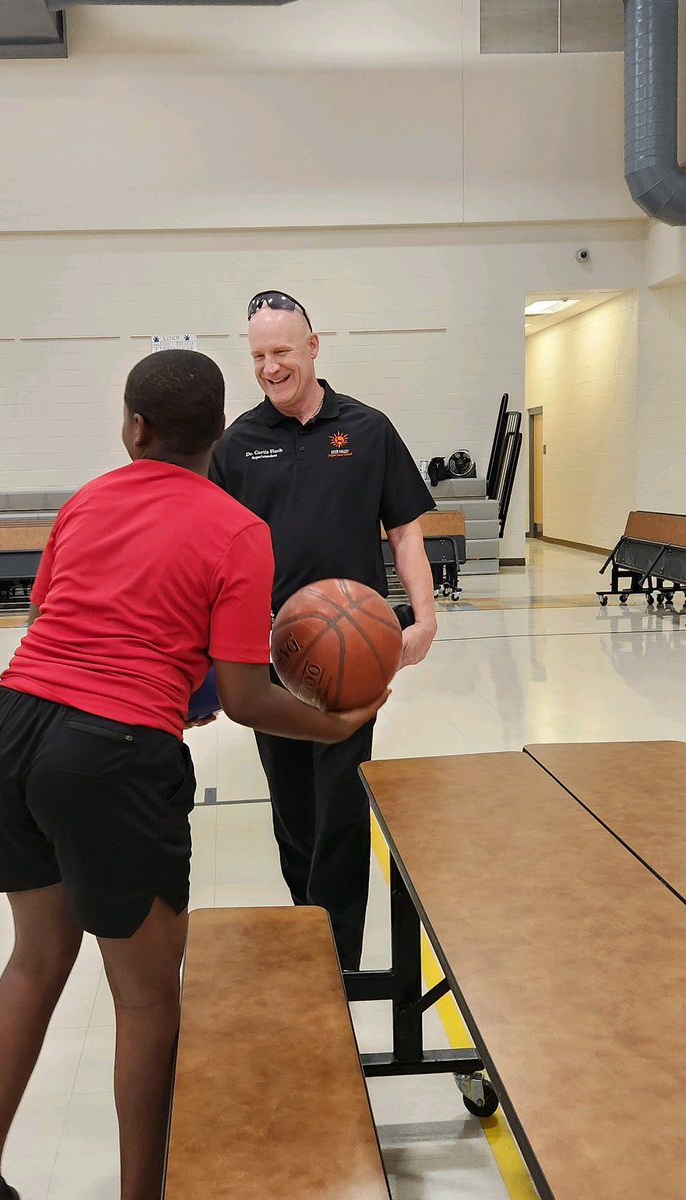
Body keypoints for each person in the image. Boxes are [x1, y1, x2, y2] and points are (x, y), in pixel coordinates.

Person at [0, 350, 387, 1200]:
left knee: (34, 961)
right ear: (218, 433)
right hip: (109, 756)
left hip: (12, 725)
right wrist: (338, 723)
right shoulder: (239, 529)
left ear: (135, 427)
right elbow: (247, 697)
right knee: (145, 1000)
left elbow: (60, 620)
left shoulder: (86, 499)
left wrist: (166, 687)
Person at [210, 290, 436, 971]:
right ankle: (309, 927)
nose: (270, 368)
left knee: (340, 806)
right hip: (269, 655)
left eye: (282, 351)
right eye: (258, 356)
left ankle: (339, 956)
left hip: (352, 653)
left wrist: (424, 615)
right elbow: (213, 550)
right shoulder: (236, 444)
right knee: (292, 807)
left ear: (313, 347)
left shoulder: (368, 429)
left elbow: (405, 531)